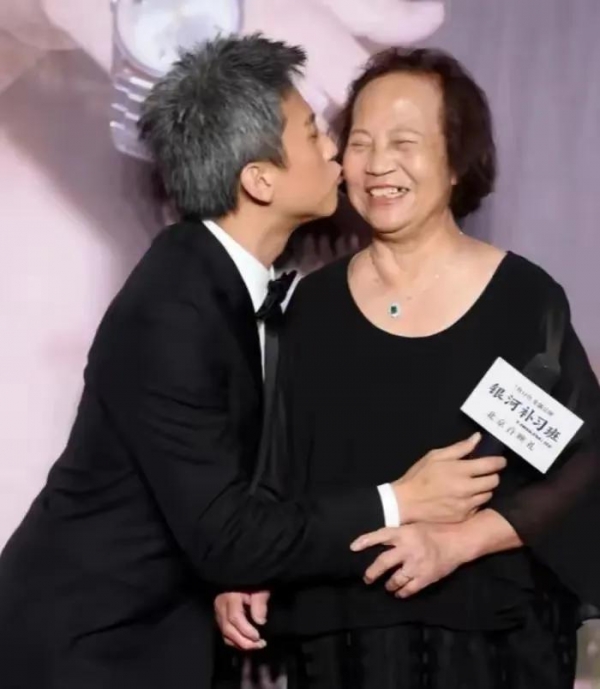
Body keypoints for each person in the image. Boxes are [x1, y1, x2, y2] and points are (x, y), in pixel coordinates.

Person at [0, 37, 504, 689]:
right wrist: (401, 500)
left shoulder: (222, 283)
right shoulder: (173, 310)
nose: (334, 147)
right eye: (311, 131)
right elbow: (228, 537)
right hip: (88, 647)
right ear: (259, 179)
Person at [216, 48, 600, 688]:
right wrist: (246, 567)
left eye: (405, 142)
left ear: (456, 161)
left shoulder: (522, 302)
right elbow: (276, 465)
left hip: (492, 645)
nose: (377, 164)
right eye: (360, 142)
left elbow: (582, 466)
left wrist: (459, 541)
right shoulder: (308, 306)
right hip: (342, 645)